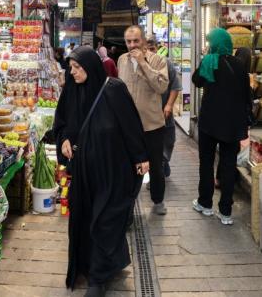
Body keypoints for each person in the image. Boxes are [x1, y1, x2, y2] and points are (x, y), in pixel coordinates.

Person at [53, 47, 149, 296]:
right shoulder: (71, 91)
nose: (72, 72)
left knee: (105, 220)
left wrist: (140, 157)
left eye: (77, 67)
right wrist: (64, 140)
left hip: (112, 170)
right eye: (70, 67)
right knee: (85, 219)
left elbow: (131, 125)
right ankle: (97, 265)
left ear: (91, 66)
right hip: (83, 173)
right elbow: (62, 123)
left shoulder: (113, 90)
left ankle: (98, 278)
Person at [191, 28, 251, 225]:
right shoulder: (239, 64)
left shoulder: (210, 61)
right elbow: (247, 93)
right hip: (232, 124)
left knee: (206, 163)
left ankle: (205, 203)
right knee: (228, 165)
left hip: (209, 123)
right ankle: (225, 211)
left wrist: (205, 58)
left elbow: (196, 81)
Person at [117, 25, 170, 215]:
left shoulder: (158, 60)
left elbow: (161, 87)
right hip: (128, 126)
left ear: (144, 42)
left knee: (155, 165)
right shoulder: (122, 60)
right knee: (127, 165)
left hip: (152, 124)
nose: (132, 45)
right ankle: (128, 203)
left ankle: (158, 200)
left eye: (136, 41)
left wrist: (143, 63)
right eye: (128, 41)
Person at [146, 36, 181, 178]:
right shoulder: (140, 65)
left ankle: (163, 162)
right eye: (147, 49)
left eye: (152, 49)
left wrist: (169, 105)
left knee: (168, 140)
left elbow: (175, 86)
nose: (150, 52)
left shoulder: (166, 63)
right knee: (150, 145)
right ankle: (156, 173)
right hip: (147, 115)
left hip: (164, 113)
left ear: (157, 48)